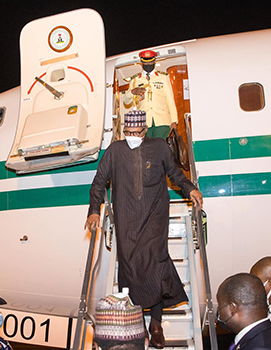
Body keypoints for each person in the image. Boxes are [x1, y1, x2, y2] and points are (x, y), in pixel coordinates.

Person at [85, 109, 203, 349]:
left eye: (136, 132)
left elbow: (175, 174)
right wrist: (94, 211)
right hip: (127, 219)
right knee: (130, 271)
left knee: (156, 265)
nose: (132, 136)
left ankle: (156, 324)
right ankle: (137, 321)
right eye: (127, 132)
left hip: (155, 215)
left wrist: (190, 189)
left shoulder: (159, 147)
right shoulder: (115, 151)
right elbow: (98, 183)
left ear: (145, 131)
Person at [216, 273, 271, 350]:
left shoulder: (260, 347)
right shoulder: (257, 336)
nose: (219, 312)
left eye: (220, 306)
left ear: (232, 308)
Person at [121, 50, 178, 139]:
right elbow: (126, 102)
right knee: (146, 150)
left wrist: (174, 120)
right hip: (144, 122)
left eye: (150, 62)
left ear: (154, 61)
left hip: (162, 121)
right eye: (145, 63)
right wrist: (132, 92)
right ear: (141, 63)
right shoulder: (135, 80)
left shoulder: (163, 77)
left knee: (160, 149)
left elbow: (170, 99)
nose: (148, 65)